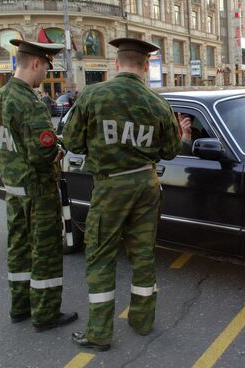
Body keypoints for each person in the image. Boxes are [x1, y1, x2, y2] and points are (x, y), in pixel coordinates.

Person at [64, 37, 182, 351]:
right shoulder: (158, 103)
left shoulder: (94, 95)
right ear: (146, 66)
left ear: (117, 64)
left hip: (111, 187)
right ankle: (142, 321)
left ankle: (100, 333)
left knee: (101, 257)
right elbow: (170, 151)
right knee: (143, 256)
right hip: (146, 186)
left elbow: (72, 142)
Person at [0, 39, 78, 331]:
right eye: (47, 68)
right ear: (36, 63)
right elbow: (43, 154)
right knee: (46, 254)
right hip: (38, 193)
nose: (47, 75)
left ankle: (20, 307)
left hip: (14, 190)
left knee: (19, 251)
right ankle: (46, 314)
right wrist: (60, 148)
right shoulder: (29, 102)